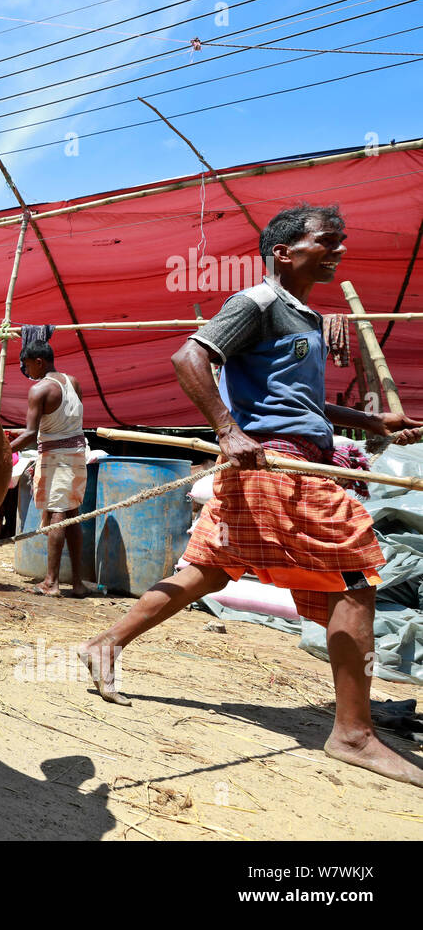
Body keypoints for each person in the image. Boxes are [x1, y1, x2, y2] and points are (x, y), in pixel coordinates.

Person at [78, 203, 423, 787]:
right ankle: (353, 734)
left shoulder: (308, 317)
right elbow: (189, 356)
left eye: (341, 240)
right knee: (357, 577)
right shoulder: (256, 304)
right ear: (284, 252)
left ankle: (104, 643)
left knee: (212, 570)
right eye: (327, 241)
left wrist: (371, 424)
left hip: (286, 457)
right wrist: (227, 430)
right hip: (274, 464)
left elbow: (299, 403)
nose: (339, 250)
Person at [9, 339, 90, 597]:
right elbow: (60, 423)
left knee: (57, 514)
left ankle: (51, 583)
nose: (27, 372)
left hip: (57, 459)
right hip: (77, 455)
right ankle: (77, 582)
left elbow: (32, 434)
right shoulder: (72, 382)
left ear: (39, 362)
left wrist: (3, 450)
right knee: (72, 514)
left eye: (27, 366)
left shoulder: (40, 390)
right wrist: (17, 435)